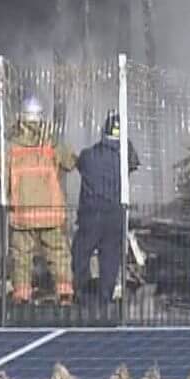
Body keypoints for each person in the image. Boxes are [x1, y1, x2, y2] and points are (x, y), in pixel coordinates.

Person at [5, 95, 76, 305]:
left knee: (21, 256)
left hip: (22, 211)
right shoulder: (51, 142)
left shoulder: (11, 145)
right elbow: (70, 162)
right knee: (58, 253)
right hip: (50, 210)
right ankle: (64, 292)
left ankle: (22, 294)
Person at [72, 113, 139, 304]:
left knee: (81, 252)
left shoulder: (88, 155)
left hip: (90, 214)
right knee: (110, 257)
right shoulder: (125, 156)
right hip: (115, 214)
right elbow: (134, 163)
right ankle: (105, 297)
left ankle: (82, 292)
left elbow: (80, 164)